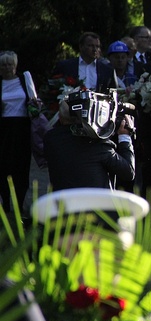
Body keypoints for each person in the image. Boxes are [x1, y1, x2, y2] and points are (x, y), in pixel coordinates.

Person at [44, 100, 135, 190]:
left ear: (60, 117)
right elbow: (128, 172)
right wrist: (124, 136)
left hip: (62, 203)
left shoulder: (50, 139)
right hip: (96, 204)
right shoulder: (99, 145)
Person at [0, 51, 36, 212]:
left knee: (21, 166)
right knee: (4, 166)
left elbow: (34, 100)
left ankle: (20, 204)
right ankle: (6, 204)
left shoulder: (24, 79)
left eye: (10, 64)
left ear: (15, 66)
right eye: (4, 64)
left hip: (22, 127)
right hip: (3, 128)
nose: (7, 68)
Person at [52, 32, 117, 92]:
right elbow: (53, 88)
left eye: (97, 46)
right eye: (90, 46)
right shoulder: (66, 66)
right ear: (81, 46)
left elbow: (114, 93)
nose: (94, 49)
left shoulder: (107, 70)